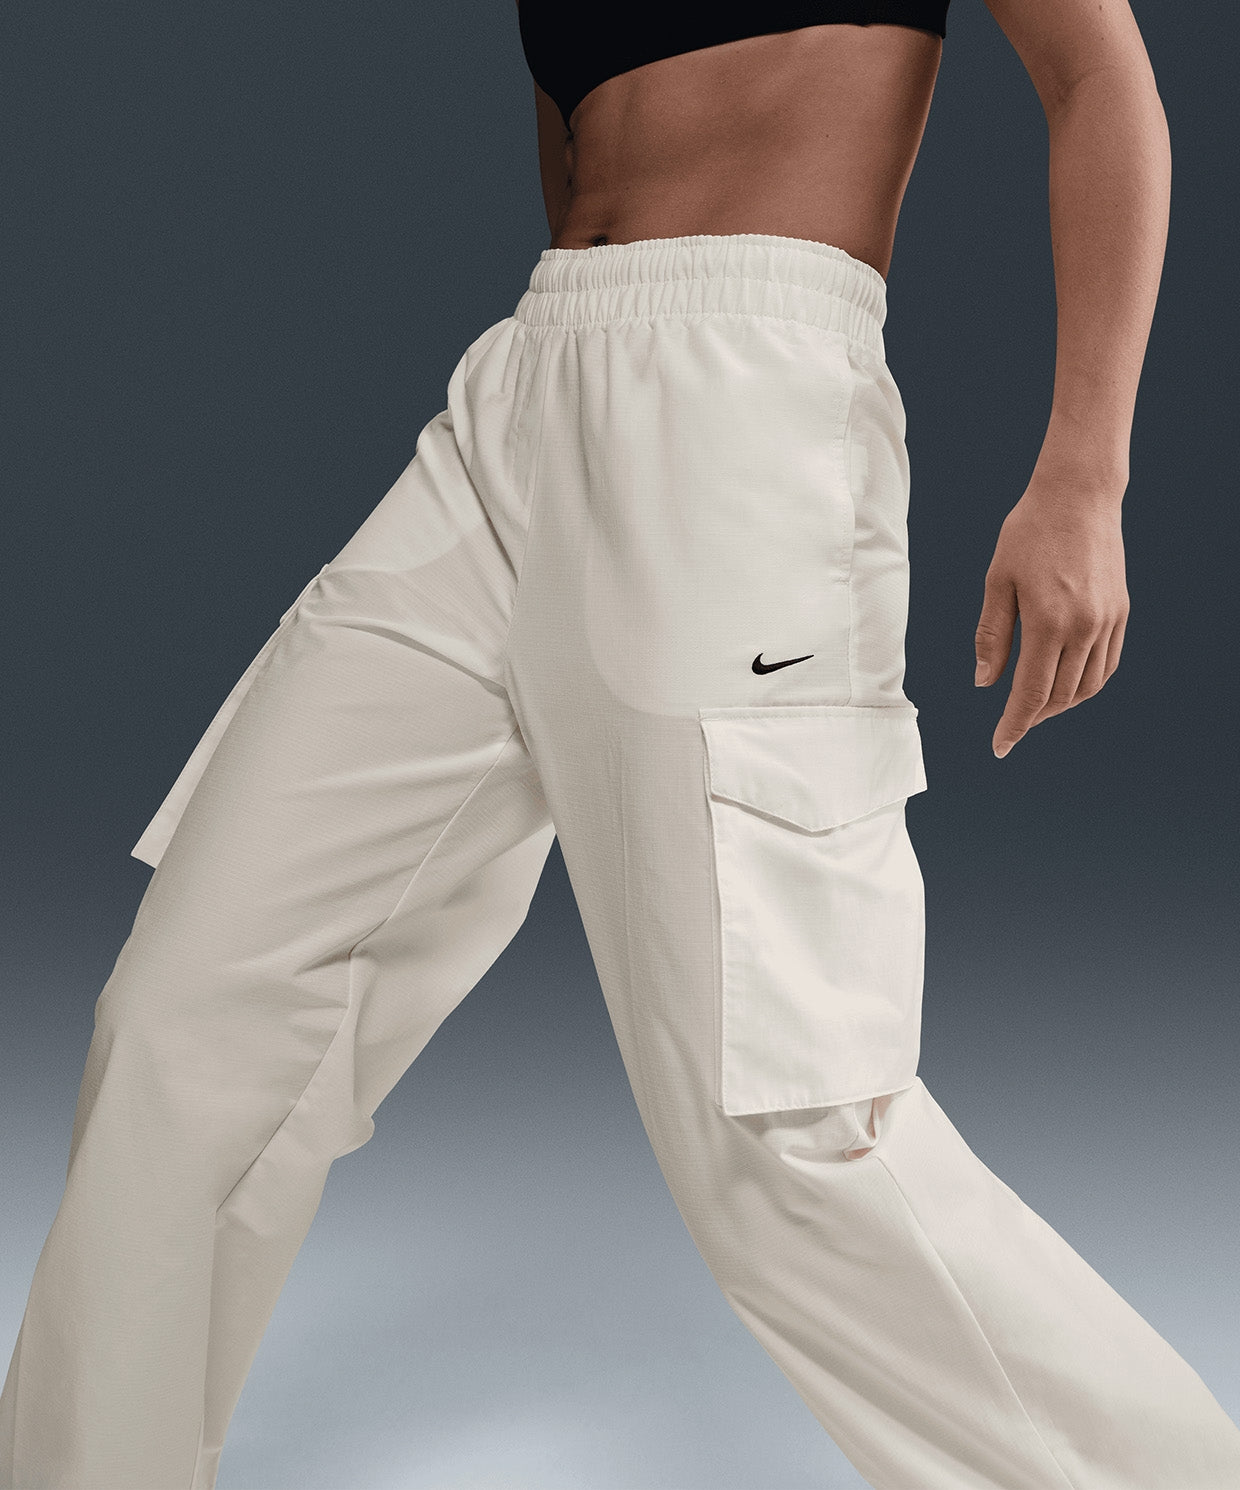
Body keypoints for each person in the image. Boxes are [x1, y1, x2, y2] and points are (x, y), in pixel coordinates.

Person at [1, 1, 1236, 1486]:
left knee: (782, 1132)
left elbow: (1098, 75)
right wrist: (581, 447)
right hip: (527, 392)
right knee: (194, 1007)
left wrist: (1084, 475)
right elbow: (578, 142)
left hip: (744, 396)